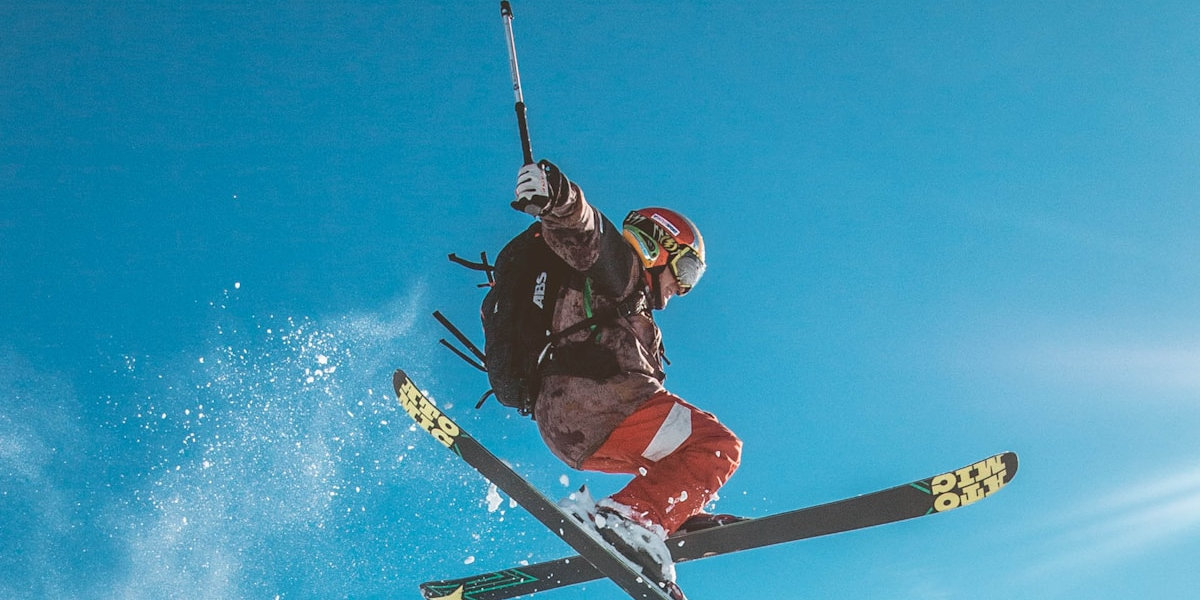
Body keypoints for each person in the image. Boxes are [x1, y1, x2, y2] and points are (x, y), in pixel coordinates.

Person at [512, 159, 742, 597]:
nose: (681, 289)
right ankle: (631, 517)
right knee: (718, 445)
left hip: (573, 424)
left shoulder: (635, 310)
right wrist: (556, 194)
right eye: (685, 272)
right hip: (599, 402)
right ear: (658, 245)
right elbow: (584, 229)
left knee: (685, 450)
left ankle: (667, 511)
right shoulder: (620, 268)